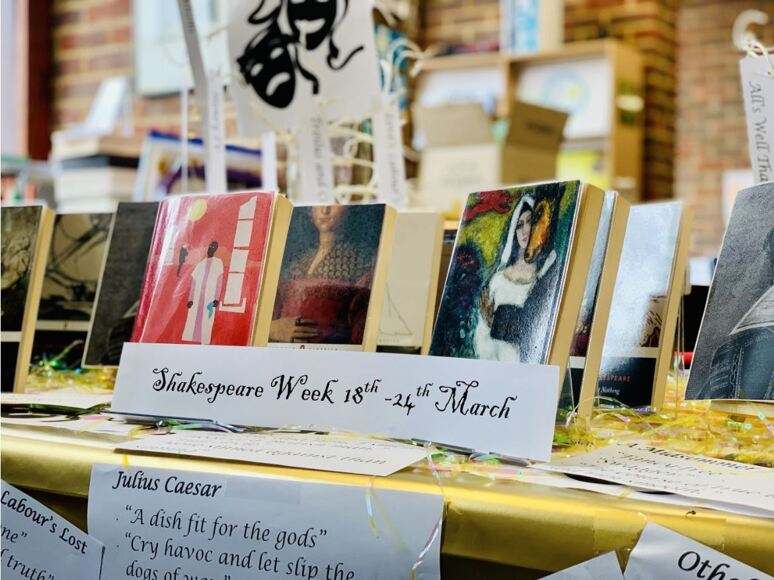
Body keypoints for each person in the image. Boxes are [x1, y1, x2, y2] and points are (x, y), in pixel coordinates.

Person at [270, 205, 375, 345]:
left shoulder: (363, 262)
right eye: (319, 203)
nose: (325, 209)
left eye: (334, 203)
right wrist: (273, 329)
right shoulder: (298, 262)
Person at [475, 195, 557, 362]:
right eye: (519, 225)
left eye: (530, 222)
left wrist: (496, 323)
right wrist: (488, 323)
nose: (525, 230)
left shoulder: (546, 276)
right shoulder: (498, 280)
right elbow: (482, 334)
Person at [182, 240, 223, 345]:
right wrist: (190, 299)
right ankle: (192, 339)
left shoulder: (218, 263)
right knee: (194, 318)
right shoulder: (201, 263)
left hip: (210, 297)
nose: (211, 249)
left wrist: (216, 298)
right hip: (197, 297)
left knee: (207, 319)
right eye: (210, 246)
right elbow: (194, 283)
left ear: (216, 249)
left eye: (214, 247)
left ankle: (204, 340)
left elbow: (219, 282)